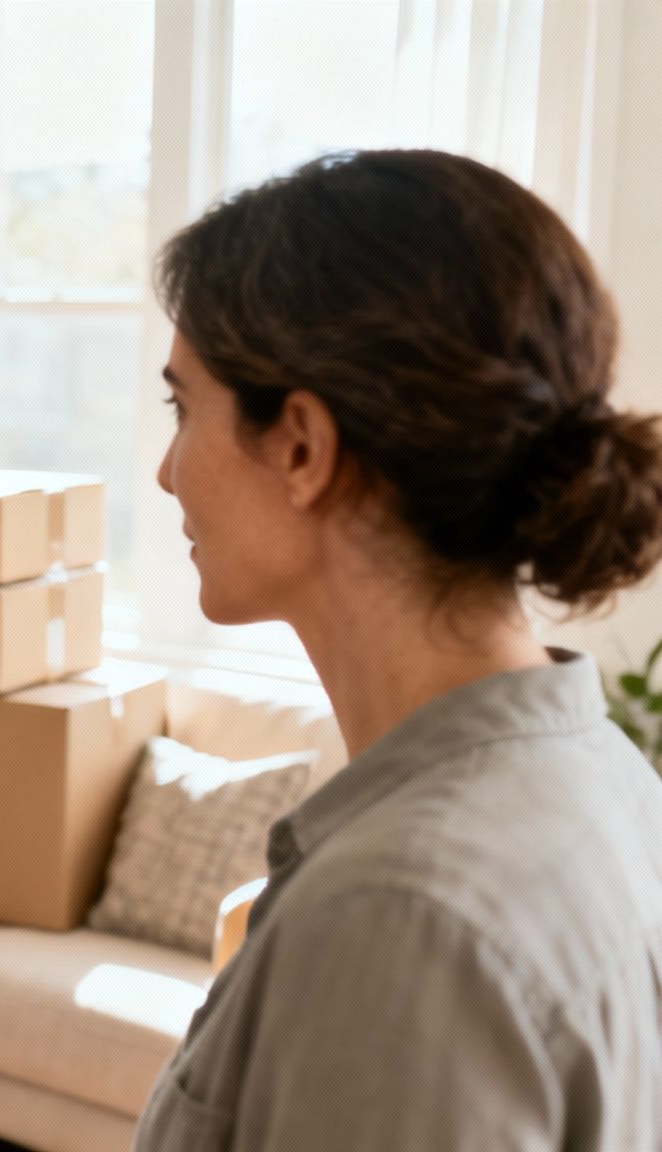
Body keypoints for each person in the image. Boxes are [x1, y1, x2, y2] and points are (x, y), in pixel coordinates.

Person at [133, 149, 662, 1149]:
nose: (166, 475)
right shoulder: (608, 779)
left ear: (299, 445)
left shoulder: (398, 917)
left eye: (182, 408)